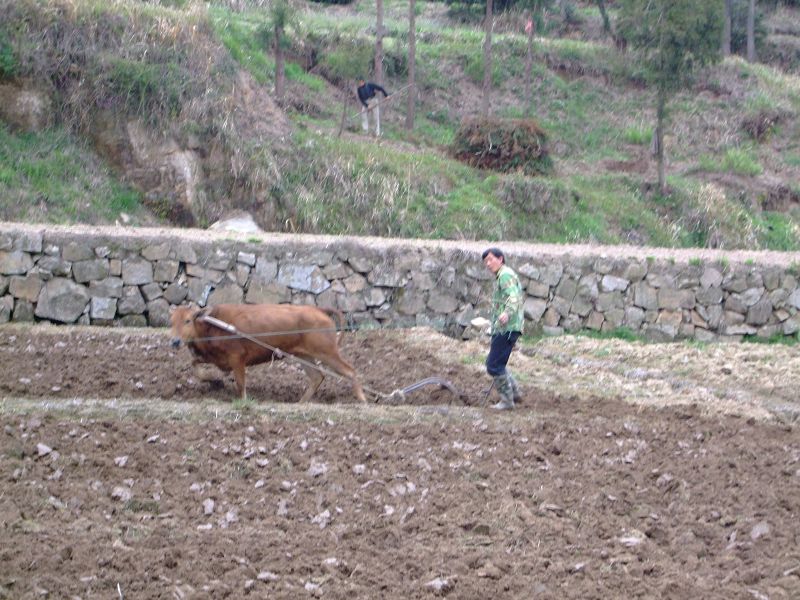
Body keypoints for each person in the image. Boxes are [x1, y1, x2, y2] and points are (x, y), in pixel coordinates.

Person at [482, 247, 524, 410]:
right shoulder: (505, 274)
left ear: (501, 259)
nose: (488, 263)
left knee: (493, 365)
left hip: (506, 327)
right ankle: (514, 392)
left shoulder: (505, 275)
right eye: (486, 261)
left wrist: (506, 313)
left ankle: (507, 401)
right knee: (498, 363)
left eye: (491, 259)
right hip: (509, 327)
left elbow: (513, 297)